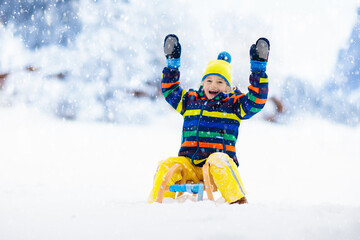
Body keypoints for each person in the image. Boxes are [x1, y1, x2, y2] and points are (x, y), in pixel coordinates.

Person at [148, 34, 270, 204]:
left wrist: (258, 70)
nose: (213, 85)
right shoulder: (190, 101)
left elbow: (256, 101)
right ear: (202, 83)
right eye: (209, 80)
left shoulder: (233, 105)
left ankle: (238, 202)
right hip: (190, 165)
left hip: (215, 170)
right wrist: (172, 65)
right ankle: (158, 204)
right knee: (167, 165)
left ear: (227, 87)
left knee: (219, 159)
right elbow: (170, 91)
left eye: (220, 82)